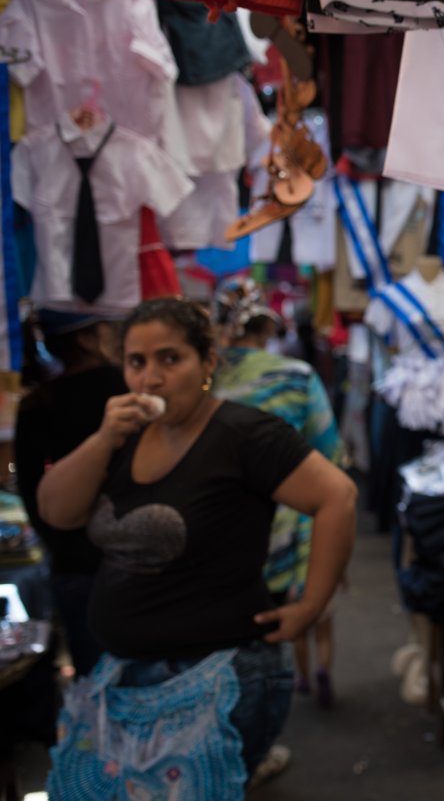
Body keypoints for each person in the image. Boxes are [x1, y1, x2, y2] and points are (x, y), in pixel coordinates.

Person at [36, 298, 357, 798]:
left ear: (208, 362)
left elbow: (337, 495)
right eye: (137, 362)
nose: (151, 378)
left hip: (216, 680)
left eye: (170, 359)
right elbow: (58, 511)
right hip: (124, 676)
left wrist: (310, 606)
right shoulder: (124, 436)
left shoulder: (243, 433)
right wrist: (102, 438)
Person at [212, 277, 346, 709]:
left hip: (218, 533)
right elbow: (331, 459)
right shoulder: (297, 376)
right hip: (294, 523)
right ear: (267, 328)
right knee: (299, 617)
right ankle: (302, 682)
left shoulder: (200, 383)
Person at [14, 309, 127, 677]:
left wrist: (60, 543)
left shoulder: (37, 403)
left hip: (73, 567)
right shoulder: (124, 391)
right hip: (134, 561)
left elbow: (32, 497)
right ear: (86, 337)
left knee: (94, 687)